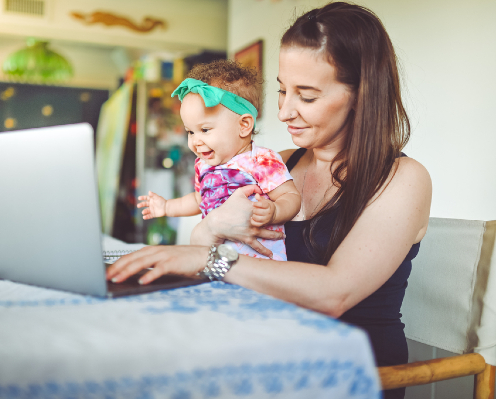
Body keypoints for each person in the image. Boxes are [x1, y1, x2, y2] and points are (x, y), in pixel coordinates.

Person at [109, 3, 431, 398]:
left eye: (306, 97)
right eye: (281, 90)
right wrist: (210, 228)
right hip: (270, 357)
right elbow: (203, 246)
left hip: (351, 374)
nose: (283, 112)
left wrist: (211, 259)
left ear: (361, 94)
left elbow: (334, 294)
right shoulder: (273, 165)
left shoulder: (403, 179)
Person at [138, 61, 301, 261]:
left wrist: (275, 211)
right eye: (190, 131)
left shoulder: (261, 160)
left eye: (205, 130)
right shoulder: (204, 166)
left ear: (244, 125)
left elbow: (290, 196)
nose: (195, 141)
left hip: (261, 264)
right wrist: (167, 207)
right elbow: (198, 200)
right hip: (217, 261)